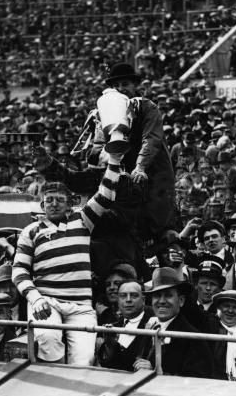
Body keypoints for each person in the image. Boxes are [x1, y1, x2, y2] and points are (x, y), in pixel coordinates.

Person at [12, 151, 123, 366]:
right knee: (47, 340)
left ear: (69, 204)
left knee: (84, 360)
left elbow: (106, 194)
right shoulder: (31, 231)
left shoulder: (83, 220)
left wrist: (115, 160)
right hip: (46, 301)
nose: (54, 204)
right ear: (42, 206)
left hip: (80, 305)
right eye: (49, 200)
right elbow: (19, 271)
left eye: (60, 200)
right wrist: (35, 298)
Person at [99, 62, 176, 252]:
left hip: (153, 171)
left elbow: (151, 138)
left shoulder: (146, 107)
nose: (120, 89)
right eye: (116, 86)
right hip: (124, 175)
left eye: (125, 84)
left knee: (156, 220)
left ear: (135, 85)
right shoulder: (106, 112)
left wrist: (140, 166)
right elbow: (98, 146)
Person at [133, 267, 213, 378]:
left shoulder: (193, 338)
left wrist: (155, 372)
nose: (161, 301)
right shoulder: (149, 329)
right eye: (157, 295)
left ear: (181, 301)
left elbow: (195, 382)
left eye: (168, 295)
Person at [97, 279, 154, 371]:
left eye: (134, 295)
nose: (128, 300)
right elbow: (108, 365)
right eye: (123, 296)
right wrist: (109, 346)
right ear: (118, 300)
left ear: (143, 299)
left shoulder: (155, 320)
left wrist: (153, 366)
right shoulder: (114, 326)